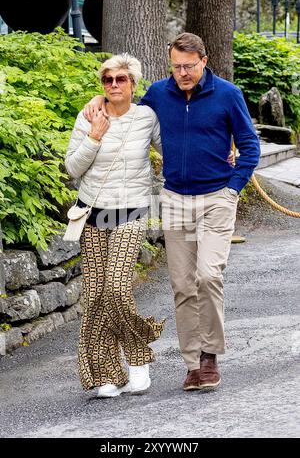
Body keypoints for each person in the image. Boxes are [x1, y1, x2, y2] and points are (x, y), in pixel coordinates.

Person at [83, 33, 260, 392]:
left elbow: (249, 146)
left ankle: (210, 355)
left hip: (216, 198)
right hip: (176, 199)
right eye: (176, 66)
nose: (182, 73)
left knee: (208, 276)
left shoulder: (228, 94)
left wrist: (232, 189)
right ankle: (193, 364)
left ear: (204, 61)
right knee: (182, 284)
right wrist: (99, 98)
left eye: (189, 66)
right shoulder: (160, 95)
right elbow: (127, 108)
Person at [65, 53, 165, 398]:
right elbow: (72, 169)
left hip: (131, 212)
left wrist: (219, 153)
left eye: (120, 79)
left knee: (116, 289)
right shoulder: (89, 115)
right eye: (107, 80)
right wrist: (94, 135)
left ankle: (138, 358)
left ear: (133, 84)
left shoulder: (146, 117)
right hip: (92, 214)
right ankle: (106, 374)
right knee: (94, 296)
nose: (113, 86)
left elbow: (172, 150)